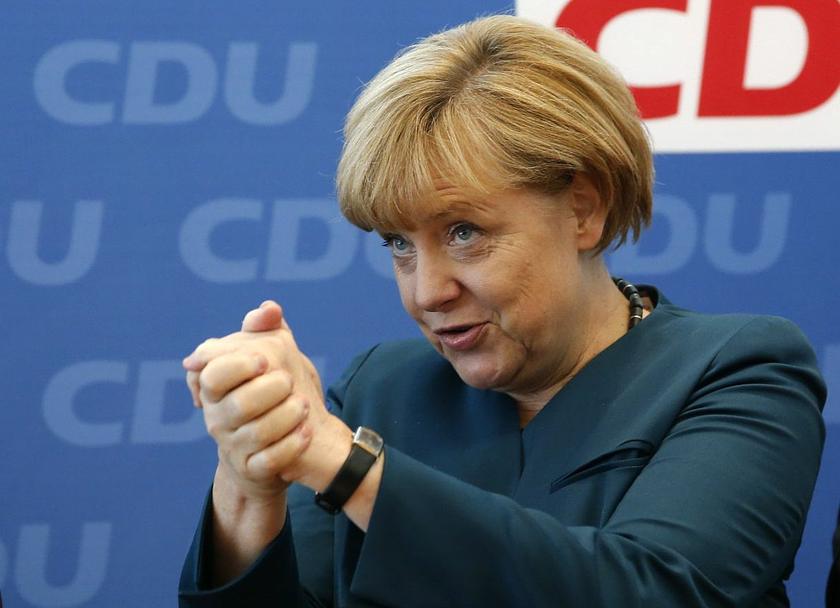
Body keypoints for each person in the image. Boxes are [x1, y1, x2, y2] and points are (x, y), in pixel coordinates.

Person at [177, 15, 826, 607]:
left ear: (583, 209)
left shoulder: (738, 368)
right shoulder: (379, 390)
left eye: (464, 232)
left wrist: (344, 464)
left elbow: (659, 589)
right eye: (399, 244)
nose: (427, 291)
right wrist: (251, 473)